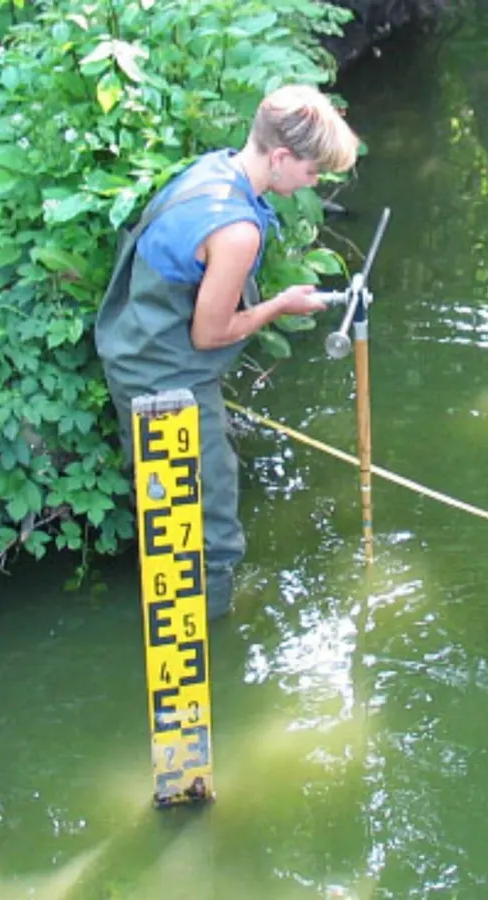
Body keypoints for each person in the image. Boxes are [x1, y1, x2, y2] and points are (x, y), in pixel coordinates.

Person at [94, 84, 362, 620]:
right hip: (167, 378)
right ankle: (205, 635)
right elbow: (209, 335)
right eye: (312, 172)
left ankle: (168, 597)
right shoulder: (236, 228)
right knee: (208, 524)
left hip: (132, 348)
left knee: (162, 500)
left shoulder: (211, 172)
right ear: (282, 157)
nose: (314, 184)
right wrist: (280, 305)